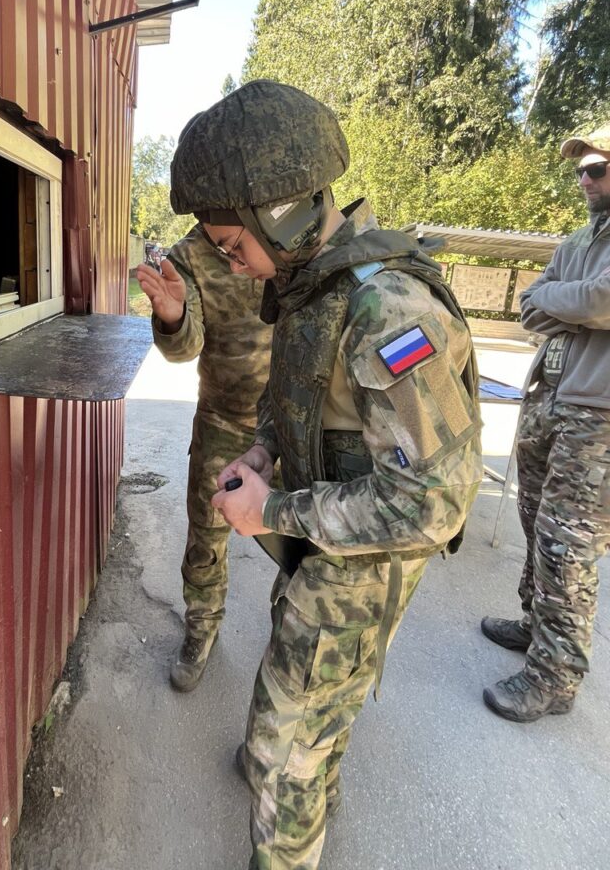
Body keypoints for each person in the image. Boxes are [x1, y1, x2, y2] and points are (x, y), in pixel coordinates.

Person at [168, 80, 482, 870]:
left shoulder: (391, 313)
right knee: (304, 706)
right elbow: (302, 397)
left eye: (233, 246)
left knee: (287, 752)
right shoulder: (317, 287)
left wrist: (276, 513)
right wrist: (264, 452)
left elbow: (433, 505)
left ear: (281, 212)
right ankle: (301, 768)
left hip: (359, 567)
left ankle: (291, 794)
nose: (232, 265)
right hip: (325, 546)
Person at [481, 123, 610, 722]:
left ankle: (554, 677)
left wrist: (575, 303)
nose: (586, 178)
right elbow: (532, 304)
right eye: (581, 169)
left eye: (599, 168)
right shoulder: (578, 241)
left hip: (597, 417)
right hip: (549, 400)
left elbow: (602, 302)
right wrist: (575, 304)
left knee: (568, 546)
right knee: (535, 520)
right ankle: (539, 626)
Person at [136, 207, 273, 691]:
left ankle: (295, 643)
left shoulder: (285, 233)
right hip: (226, 418)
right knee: (207, 535)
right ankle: (202, 627)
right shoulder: (190, 255)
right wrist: (172, 318)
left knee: (305, 534)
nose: (231, 255)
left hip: (300, 419)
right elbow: (183, 347)